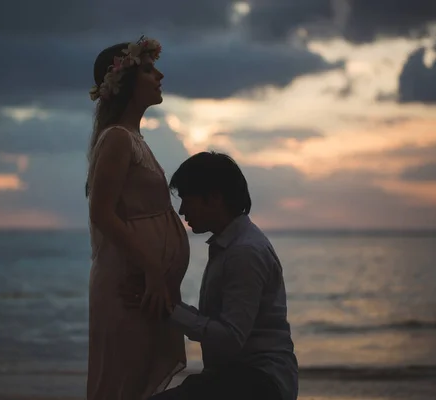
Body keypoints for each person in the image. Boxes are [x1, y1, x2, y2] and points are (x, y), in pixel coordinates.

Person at [126, 152, 299, 400]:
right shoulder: (229, 245)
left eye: (188, 198)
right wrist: (166, 306)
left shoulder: (244, 253)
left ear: (215, 198)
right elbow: (219, 326)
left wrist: (169, 311)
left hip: (261, 383)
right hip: (238, 379)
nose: (182, 209)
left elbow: (230, 338)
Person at [85, 36, 190, 400]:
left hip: (145, 285)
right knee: (121, 385)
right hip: (130, 284)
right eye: (148, 70)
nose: (159, 75)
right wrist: (152, 268)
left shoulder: (134, 138)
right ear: (125, 83)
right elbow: (102, 212)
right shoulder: (117, 138)